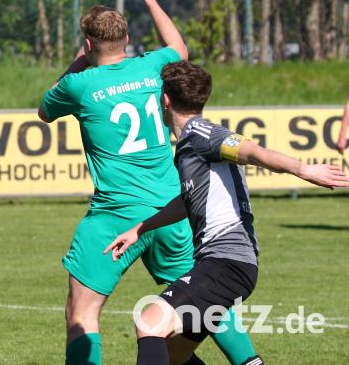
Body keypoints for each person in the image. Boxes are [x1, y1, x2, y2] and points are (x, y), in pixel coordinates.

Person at [39, 0, 258, 365]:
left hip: (115, 216)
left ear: (88, 44)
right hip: (172, 210)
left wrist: (77, 65)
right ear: (126, 40)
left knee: (82, 313)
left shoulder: (80, 84)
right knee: (203, 304)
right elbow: (180, 47)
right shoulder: (152, 67)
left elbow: (45, 111)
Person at [104, 61, 348, 364]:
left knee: (149, 323)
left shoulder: (202, 134)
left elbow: (251, 151)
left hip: (227, 263)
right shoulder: (190, 143)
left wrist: (304, 169)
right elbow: (187, 201)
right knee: (174, 354)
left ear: (164, 99)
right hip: (223, 263)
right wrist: (140, 228)